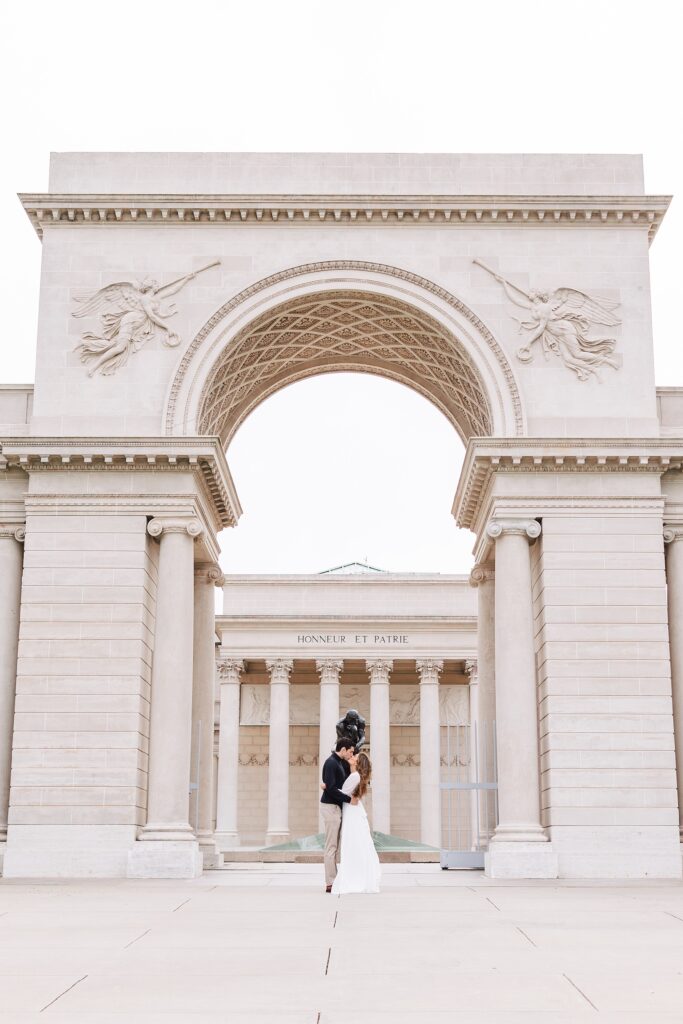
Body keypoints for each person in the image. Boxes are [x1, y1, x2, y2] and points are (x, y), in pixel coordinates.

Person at [331, 752, 381, 895]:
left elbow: (341, 792)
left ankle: (353, 878)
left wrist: (326, 787)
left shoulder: (354, 777)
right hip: (354, 810)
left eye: (355, 758)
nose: (352, 757)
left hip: (352, 812)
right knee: (356, 844)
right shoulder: (356, 776)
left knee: (351, 844)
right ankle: (359, 876)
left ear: (357, 764)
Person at [320, 739, 358, 893]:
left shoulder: (339, 763)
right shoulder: (331, 763)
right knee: (331, 846)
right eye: (350, 751)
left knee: (335, 845)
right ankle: (330, 882)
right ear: (343, 749)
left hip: (336, 807)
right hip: (330, 807)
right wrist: (350, 800)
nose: (351, 754)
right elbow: (331, 789)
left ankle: (335, 879)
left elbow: (337, 785)